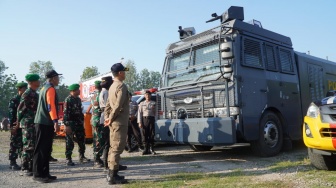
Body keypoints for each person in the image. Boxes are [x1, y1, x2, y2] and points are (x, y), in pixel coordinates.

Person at [33, 70, 61, 183]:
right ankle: (38, 174)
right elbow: (50, 106)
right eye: (58, 78)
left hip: (43, 122)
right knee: (41, 149)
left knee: (45, 149)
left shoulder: (44, 88)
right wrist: (55, 121)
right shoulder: (50, 89)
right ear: (53, 78)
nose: (59, 80)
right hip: (44, 122)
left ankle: (45, 173)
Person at [104, 63, 129, 185]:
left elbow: (108, 105)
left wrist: (107, 118)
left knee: (112, 147)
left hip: (113, 122)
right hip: (119, 122)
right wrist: (111, 118)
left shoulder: (112, 86)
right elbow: (118, 105)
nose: (125, 73)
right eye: (124, 71)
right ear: (120, 73)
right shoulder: (121, 86)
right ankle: (113, 176)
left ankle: (111, 173)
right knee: (117, 148)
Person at [17, 74, 40, 176]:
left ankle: (31, 166)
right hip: (27, 123)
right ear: (32, 82)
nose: (39, 82)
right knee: (28, 145)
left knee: (33, 145)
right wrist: (18, 121)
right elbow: (20, 109)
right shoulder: (27, 93)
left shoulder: (35, 93)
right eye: (37, 80)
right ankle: (24, 167)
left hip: (33, 122)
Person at [63, 83, 90, 166]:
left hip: (78, 123)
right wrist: (67, 125)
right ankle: (68, 158)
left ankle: (82, 156)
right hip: (71, 123)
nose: (79, 91)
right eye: (78, 89)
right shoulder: (68, 100)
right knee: (69, 141)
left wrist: (82, 121)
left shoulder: (78, 99)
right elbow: (66, 113)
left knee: (81, 140)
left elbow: (79, 111)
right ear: (73, 91)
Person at [8, 82, 27, 170]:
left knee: (23, 144)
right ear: (19, 89)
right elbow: (11, 114)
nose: (25, 90)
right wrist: (12, 126)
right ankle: (12, 162)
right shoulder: (14, 99)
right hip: (15, 125)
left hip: (23, 124)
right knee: (14, 143)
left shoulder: (25, 99)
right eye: (24, 88)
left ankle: (24, 162)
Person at [86, 80, 104, 167]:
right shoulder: (100, 95)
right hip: (98, 119)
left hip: (94, 119)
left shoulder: (93, 95)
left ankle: (96, 157)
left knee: (95, 138)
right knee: (98, 139)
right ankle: (97, 159)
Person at [99, 76, 113, 171]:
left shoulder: (102, 92)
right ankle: (106, 163)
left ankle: (107, 163)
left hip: (103, 116)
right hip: (107, 117)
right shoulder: (107, 92)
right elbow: (109, 106)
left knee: (107, 142)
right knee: (108, 142)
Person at [138, 90, 156, 155]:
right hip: (144, 119)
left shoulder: (154, 103)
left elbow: (156, 113)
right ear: (144, 96)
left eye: (148, 95)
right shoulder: (142, 103)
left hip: (151, 119)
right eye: (146, 95)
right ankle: (145, 149)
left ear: (150, 95)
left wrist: (154, 110)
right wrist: (139, 122)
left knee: (151, 134)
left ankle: (151, 149)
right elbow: (139, 113)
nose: (147, 96)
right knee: (144, 134)